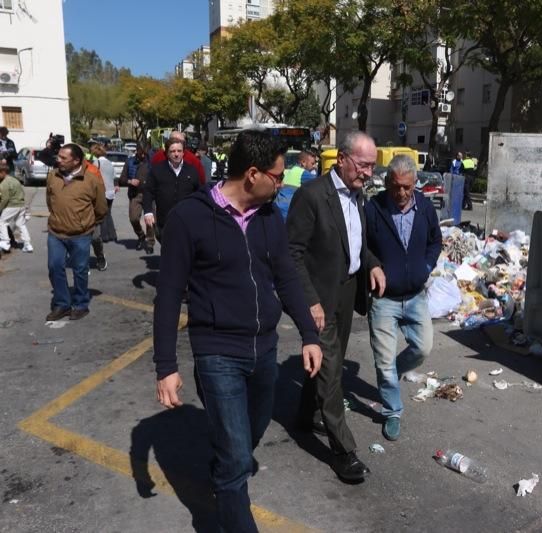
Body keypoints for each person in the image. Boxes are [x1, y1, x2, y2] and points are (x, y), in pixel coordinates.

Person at [152, 129, 322, 532]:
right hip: (217, 352)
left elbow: (286, 278)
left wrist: (309, 336)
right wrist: (166, 366)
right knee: (234, 462)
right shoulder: (189, 217)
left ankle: (227, 463)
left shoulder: (269, 218)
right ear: (252, 174)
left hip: (263, 350)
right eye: (277, 177)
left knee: (247, 441)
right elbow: (169, 294)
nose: (282, 184)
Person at [287, 131, 386, 483]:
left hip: (347, 292)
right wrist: (309, 300)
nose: (368, 173)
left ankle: (303, 415)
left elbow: (356, 243)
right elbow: (292, 254)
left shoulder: (358, 196)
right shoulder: (311, 196)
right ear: (342, 158)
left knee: (332, 362)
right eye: (362, 165)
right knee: (332, 373)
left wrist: (372, 263)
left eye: (373, 167)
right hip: (320, 298)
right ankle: (344, 452)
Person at [364, 154, 441, 441]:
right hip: (384, 299)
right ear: (387, 183)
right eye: (396, 187)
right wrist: (372, 264)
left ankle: (390, 377)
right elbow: (361, 246)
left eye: (407, 187)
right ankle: (392, 410)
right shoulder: (374, 208)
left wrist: (426, 266)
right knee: (383, 360)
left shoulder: (424, 207)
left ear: (415, 184)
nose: (402, 193)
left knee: (423, 348)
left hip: (416, 295)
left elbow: (436, 241)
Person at [45, 144, 107, 321]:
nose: (58, 160)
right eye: (59, 156)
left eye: (63, 158)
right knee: (54, 266)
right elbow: (50, 201)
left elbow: (101, 208)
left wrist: (87, 224)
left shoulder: (91, 180)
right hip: (56, 232)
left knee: (80, 270)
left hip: (81, 234)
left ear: (76, 161)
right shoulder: (52, 177)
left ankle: (80, 304)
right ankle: (62, 304)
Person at [142, 138, 201, 242]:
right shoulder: (157, 170)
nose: (176, 154)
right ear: (167, 153)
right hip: (165, 222)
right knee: (168, 253)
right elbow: (148, 191)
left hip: (186, 222)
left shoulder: (192, 171)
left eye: (179, 151)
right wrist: (148, 212)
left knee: (184, 254)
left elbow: (200, 194)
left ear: (183, 153)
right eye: (173, 151)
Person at [119, 145, 154, 254]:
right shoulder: (130, 162)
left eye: (145, 152)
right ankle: (141, 235)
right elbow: (122, 180)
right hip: (135, 194)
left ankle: (150, 242)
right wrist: (130, 181)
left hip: (149, 194)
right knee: (133, 218)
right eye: (141, 152)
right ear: (137, 151)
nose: (143, 155)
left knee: (150, 221)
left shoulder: (151, 162)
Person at [90, 144, 118, 271]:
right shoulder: (110, 163)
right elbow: (113, 176)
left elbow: (92, 176)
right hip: (111, 192)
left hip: (103, 192)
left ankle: (104, 236)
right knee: (108, 214)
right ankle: (111, 234)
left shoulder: (96, 163)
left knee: (101, 216)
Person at [0, 160, 32, 253]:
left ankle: (5, 242)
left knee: (2, 221)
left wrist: (0, 208)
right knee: (20, 224)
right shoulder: (14, 180)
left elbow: (4, 199)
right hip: (21, 205)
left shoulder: (3, 184)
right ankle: (27, 244)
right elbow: (22, 192)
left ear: (3, 172)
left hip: (12, 205)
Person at [275, 151, 317, 220]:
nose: (314, 166)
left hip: (278, 207)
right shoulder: (303, 173)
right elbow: (319, 182)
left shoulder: (290, 170)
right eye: (312, 163)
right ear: (303, 162)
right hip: (288, 211)